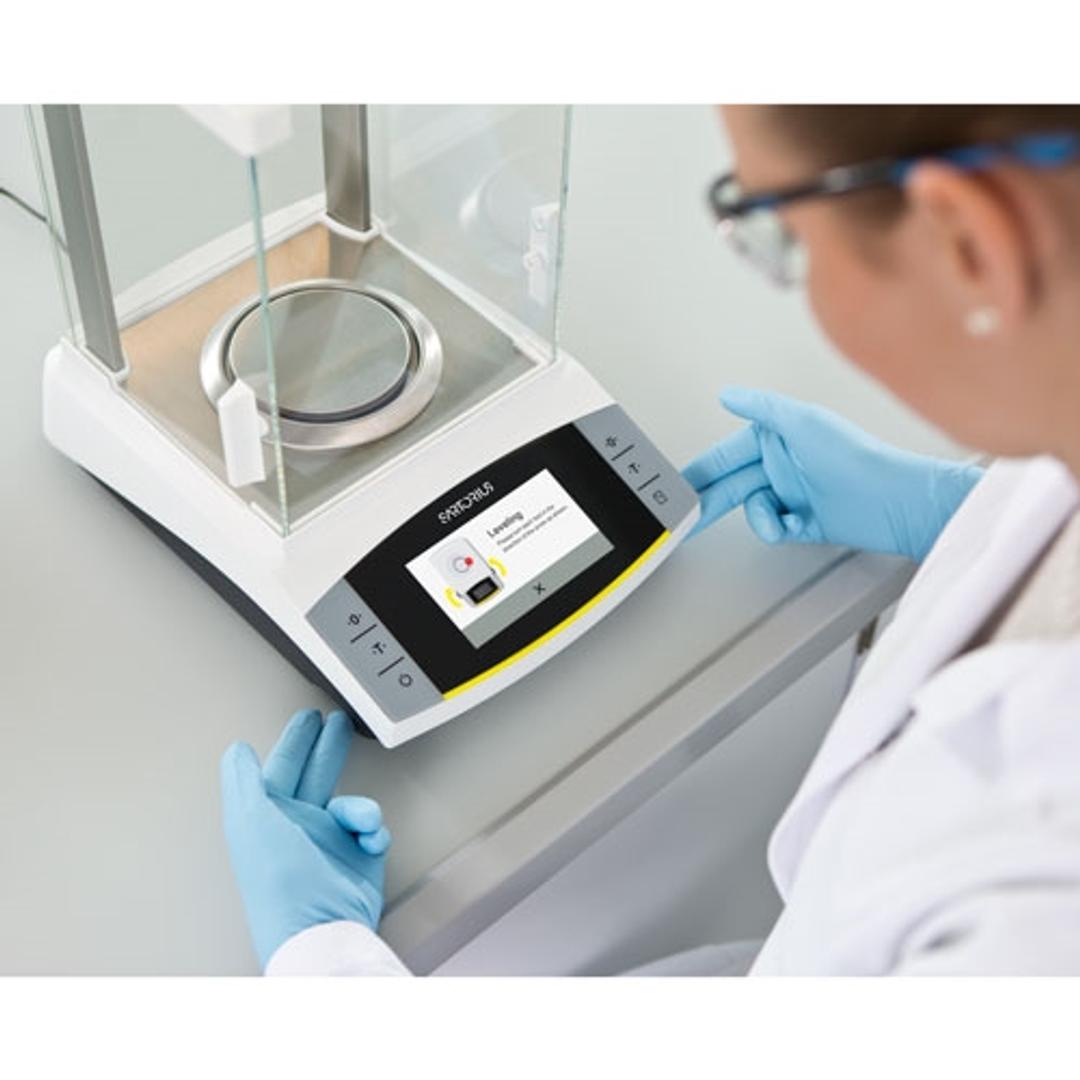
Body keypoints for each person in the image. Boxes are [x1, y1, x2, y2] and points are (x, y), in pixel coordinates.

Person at [221, 105, 1080, 975]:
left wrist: (321, 957)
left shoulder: (1028, 918)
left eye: (781, 229)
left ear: (968, 241)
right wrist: (972, 516)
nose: (789, 268)